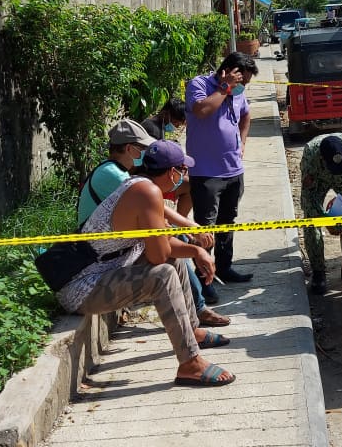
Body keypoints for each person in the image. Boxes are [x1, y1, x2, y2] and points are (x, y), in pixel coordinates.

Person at [66, 140, 236, 387]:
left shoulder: (140, 186)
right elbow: (158, 255)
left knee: (173, 262)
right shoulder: (147, 193)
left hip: (104, 274)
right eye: (182, 170)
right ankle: (190, 363)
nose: (184, 176)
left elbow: (163, 246)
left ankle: (192, 329)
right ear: (171, 172)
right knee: (163, 274)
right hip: (83, 287)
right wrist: (195, 250)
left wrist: (196, 251)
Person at [77, 119, 229, 326]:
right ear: (130, 149)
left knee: (173, 241)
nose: (145, 155)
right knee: (170, 247)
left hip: (119, 242)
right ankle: (198, 307)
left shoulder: (121, 173)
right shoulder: (112, 174)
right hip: (104, 250)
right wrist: (188, 227)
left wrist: (184, 227)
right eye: (143, 148)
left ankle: (195, 309)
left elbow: (157, 209)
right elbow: (156, 207)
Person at [186, 52, 258, 285]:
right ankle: (203, 279)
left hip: (233, 171)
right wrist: (224, 89)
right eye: (241, 82)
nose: (242, 87)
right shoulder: (199, 84)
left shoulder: (238, 92)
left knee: (227, 222)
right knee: (206, 228)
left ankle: (224, 267)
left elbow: (246, 115)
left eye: (245, 83)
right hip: (207, 173)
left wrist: (243, 141)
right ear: (227, 71)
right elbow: (202, 111)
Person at [300, 134, 342, 295]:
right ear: (322, 158)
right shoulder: (311, 154)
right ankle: (318, 272)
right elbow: (308, 194)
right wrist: (325, 219)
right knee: (310, 221)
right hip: (319, 180)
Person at [141, 98, 192, 217]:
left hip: (154, 174)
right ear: (166, 114)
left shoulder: (157, 126)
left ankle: (179, 222)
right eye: (176, 122)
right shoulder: (152, 130)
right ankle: (179, 223)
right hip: (153, 176)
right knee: (190, 184)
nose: (177, 126)